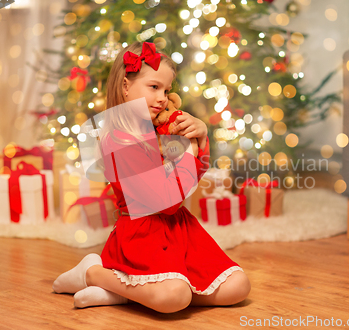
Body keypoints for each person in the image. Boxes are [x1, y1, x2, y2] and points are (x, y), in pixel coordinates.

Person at [52, 41, 251, 313]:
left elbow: (190, 180)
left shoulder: (158, 129)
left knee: (238, 287)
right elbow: (166, 201)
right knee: (174, 298)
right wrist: (188, 152)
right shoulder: (117, 140)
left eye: (167, 90)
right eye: (154, 87)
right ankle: (92, 273)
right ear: (125, 86)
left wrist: (201, 136)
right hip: (141, 236)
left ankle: (129, 292)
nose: (163, 98)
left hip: (177, 230)